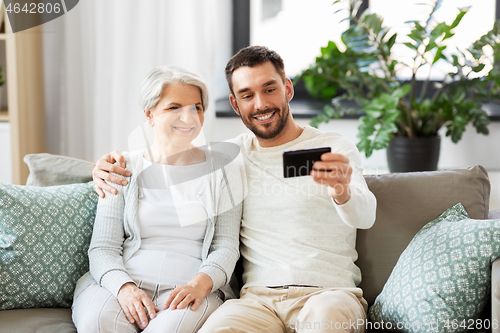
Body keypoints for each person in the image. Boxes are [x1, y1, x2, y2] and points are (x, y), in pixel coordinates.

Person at [92, 46, 377, 333]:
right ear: (234, 103)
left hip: (327, 295)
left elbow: (365, 216)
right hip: (257, 302)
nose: (261, 104)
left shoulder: (333, 147)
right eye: (247, 95)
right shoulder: (228, 158)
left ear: (287, 89)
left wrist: (343, 191)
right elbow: (167, 156)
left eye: (269, 89)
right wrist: (103, 168)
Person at [72, 66, 242, 333]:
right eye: (174, 107)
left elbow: (226, 246)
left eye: (196, 108)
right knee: (97, 323)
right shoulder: (120, 166)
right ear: (149, 114)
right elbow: (102, 248)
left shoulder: (224, 168)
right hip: (121, 283)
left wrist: (200, 284)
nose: (188, 117)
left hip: (189, 288)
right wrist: (124, 289)